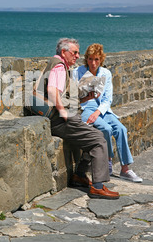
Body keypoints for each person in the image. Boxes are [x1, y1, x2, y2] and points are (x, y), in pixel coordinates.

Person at [43, 38, 120, 199]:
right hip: (61, 120)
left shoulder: (58, 64)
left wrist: (85, 98)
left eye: (78, 52)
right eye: (75, 52)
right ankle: (97, 187)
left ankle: (79, 175)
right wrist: (63, 111)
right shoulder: (58, 66)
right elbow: (52, 90)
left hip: (61, 118)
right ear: (64, 52)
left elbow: (63, 94)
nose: (78, 55)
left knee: (93, 136)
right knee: (99, 140)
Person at [73, 43, 143, 183]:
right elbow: (74, 97)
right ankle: (108, 160)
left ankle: (125, 169)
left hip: (102, 109)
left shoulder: (106, 73)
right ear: (86, 59)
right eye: (91, 59)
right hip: (85, 108)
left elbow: (107, 99)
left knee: (121, 129)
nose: (93, 63)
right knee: (105, 128)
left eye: (97, 59)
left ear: (101, 60)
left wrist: (98, 112)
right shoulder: (77, 72)